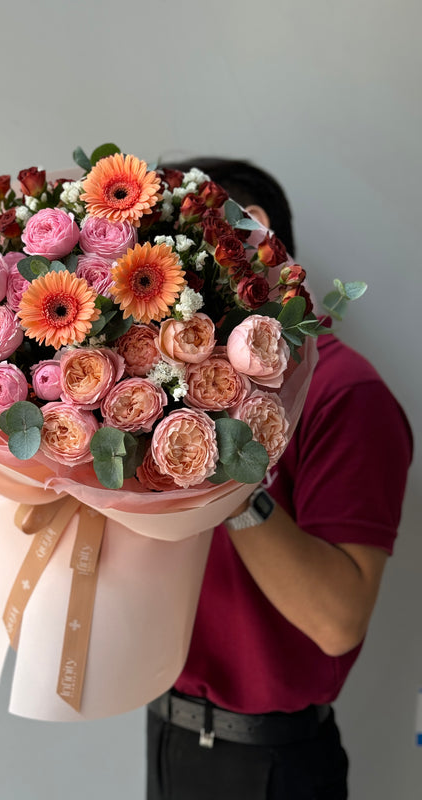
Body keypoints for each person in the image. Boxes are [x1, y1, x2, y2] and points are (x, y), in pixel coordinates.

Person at [146, 158, 413, 800]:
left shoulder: (346, 392)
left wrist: (231, 482)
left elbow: (338, 619)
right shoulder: (156, 389)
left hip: (270, 766)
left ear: (249, 237)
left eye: (167, 256)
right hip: (166, 733)